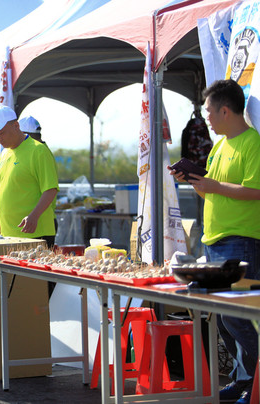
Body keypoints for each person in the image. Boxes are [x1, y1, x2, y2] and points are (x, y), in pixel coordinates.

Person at [168, 79, 260, 404]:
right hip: (214, 240)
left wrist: (213, 185)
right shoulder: (220, 145)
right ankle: (243, 379)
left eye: (208, 111)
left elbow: (256, 191)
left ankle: (254, 381)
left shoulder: (252, 143)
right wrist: (194, 181)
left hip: (241, 240)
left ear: (224, 110)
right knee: (223, 317)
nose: (206, 117)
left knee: (239, 315)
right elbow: (211, 188)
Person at [0, 106, 58, 248]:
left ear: (16, 126)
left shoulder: (38, 150)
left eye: (2, 133)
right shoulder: (5, 153)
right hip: (8, 233)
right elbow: (5, 188)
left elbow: (51, 189)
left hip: (35, 234)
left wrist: (34, 216)